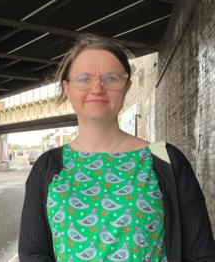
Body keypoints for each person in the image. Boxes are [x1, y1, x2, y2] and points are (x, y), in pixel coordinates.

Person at [18, 34, 215, 261]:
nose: (97, 88)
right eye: (84, 78)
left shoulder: (165, 159)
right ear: (68, 88)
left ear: (127, 86)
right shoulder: (47, 167)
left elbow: (201, 252)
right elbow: (34, 253)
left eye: (111, 78)